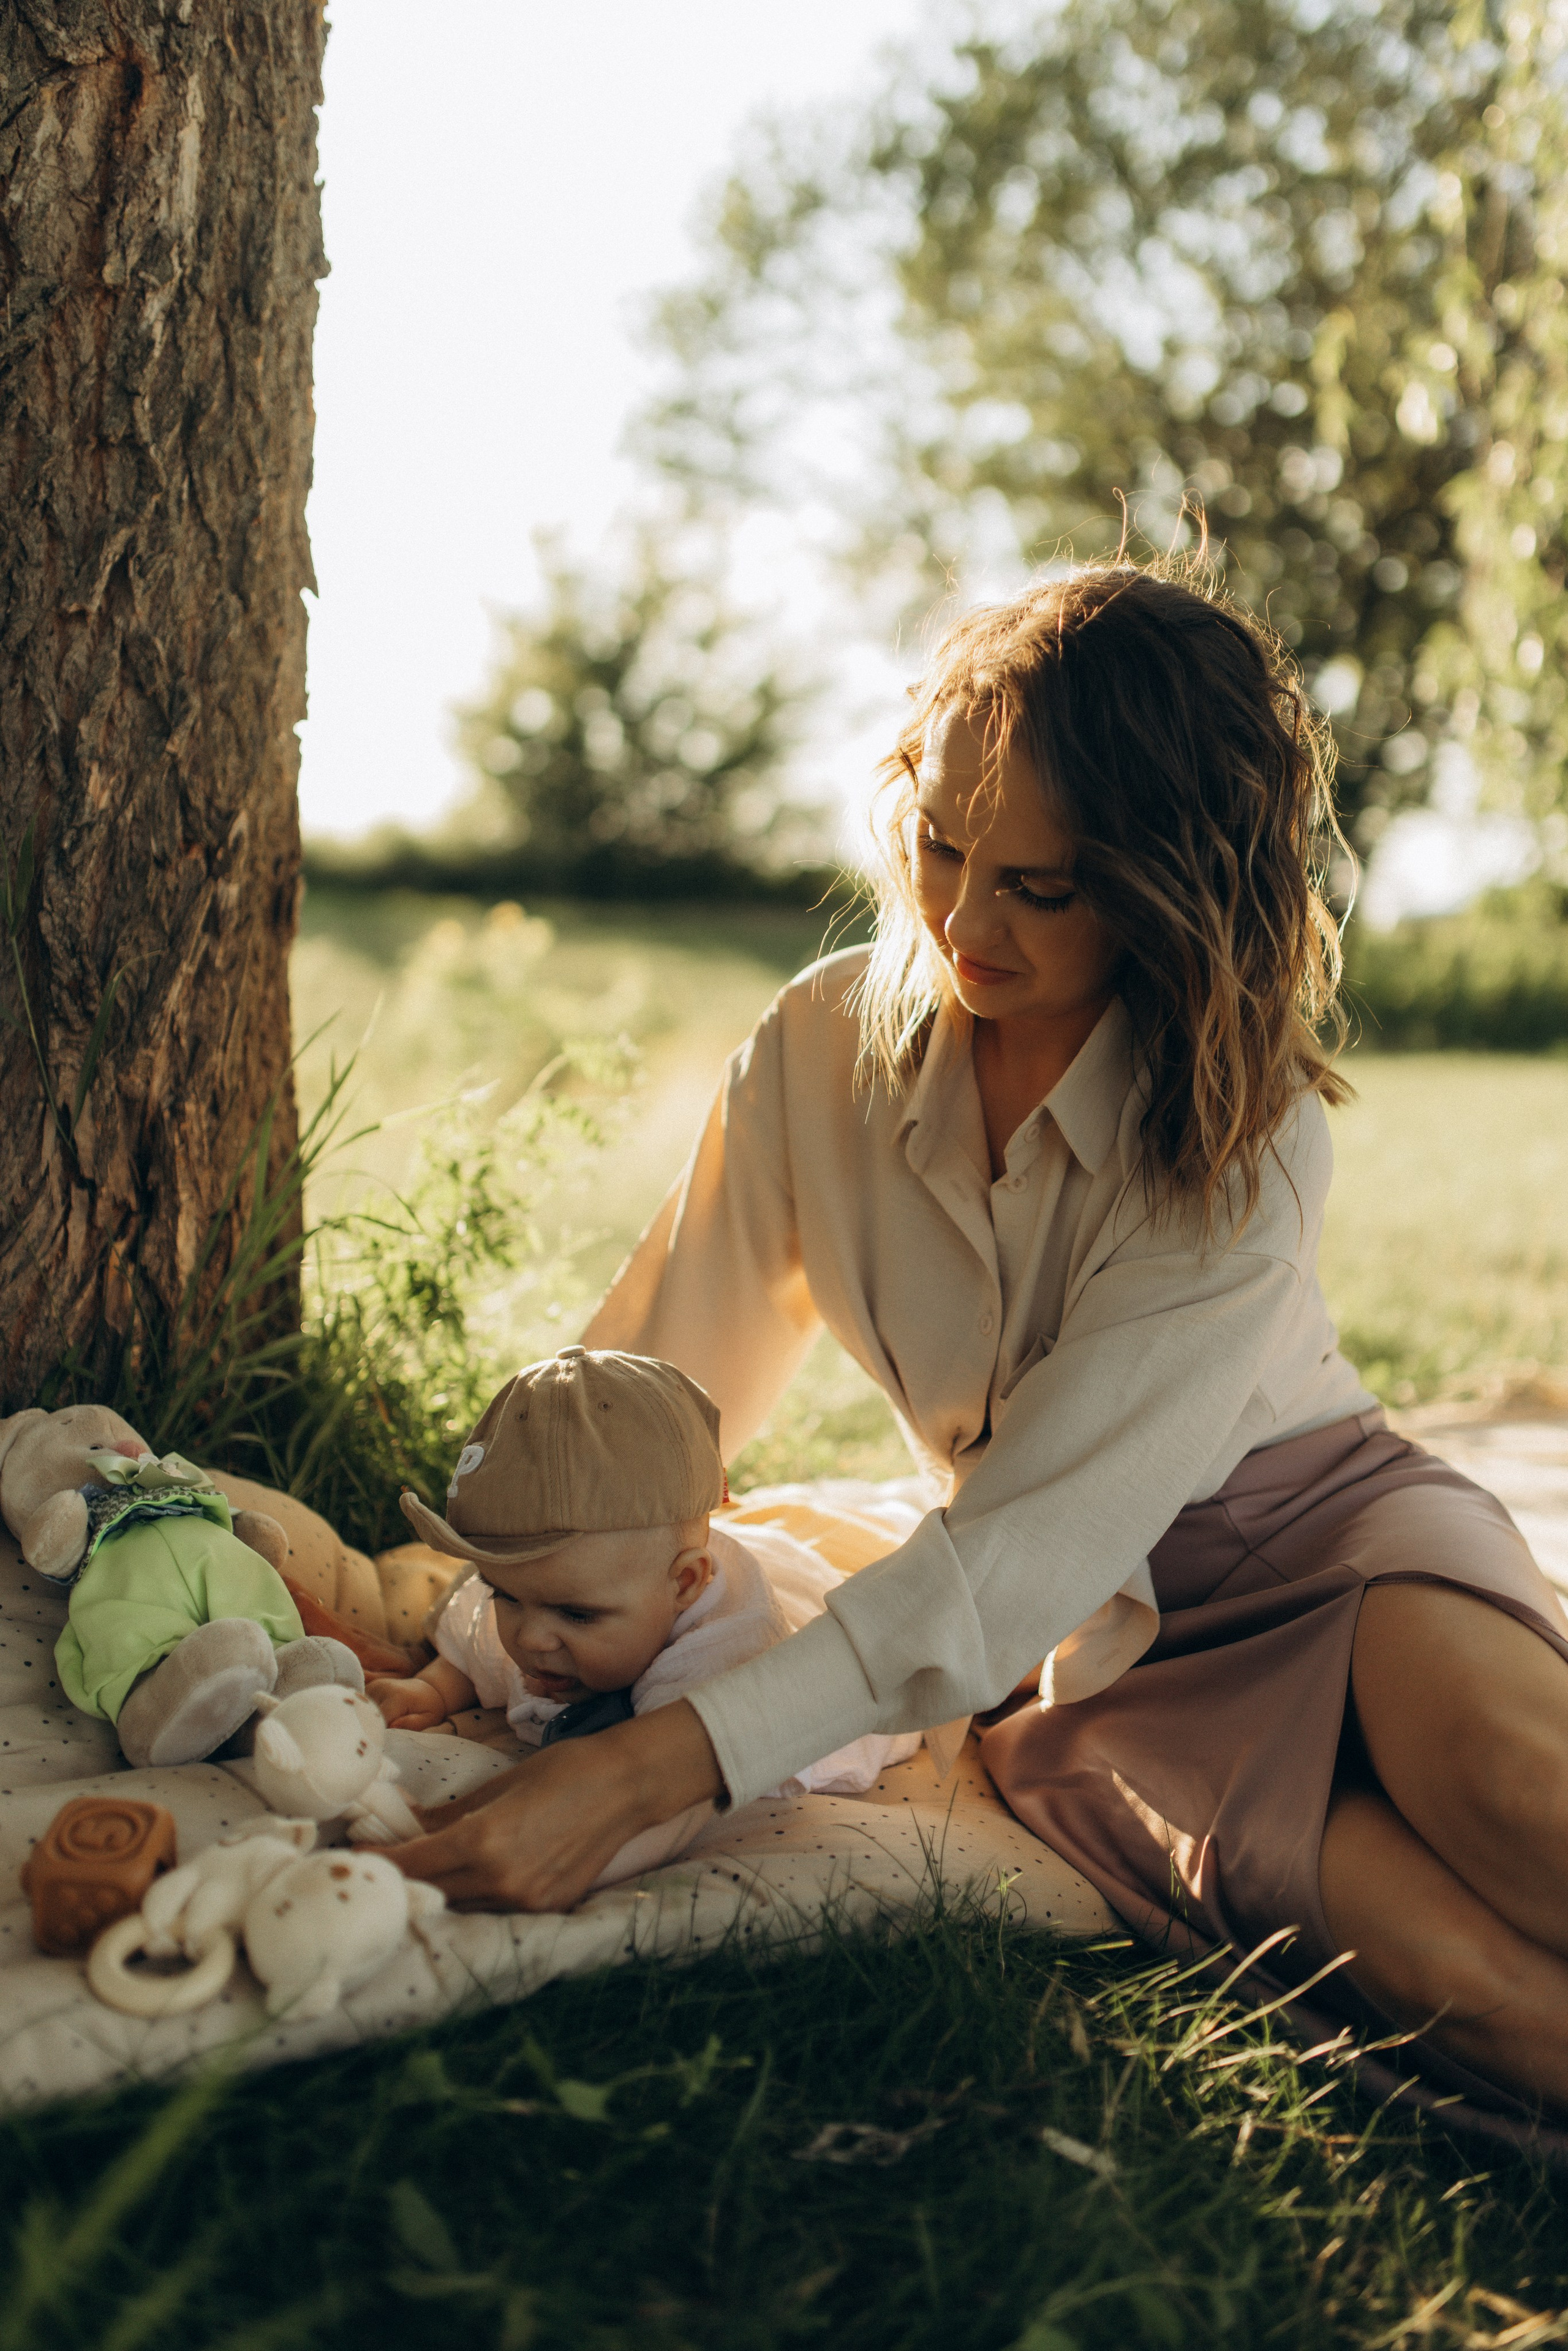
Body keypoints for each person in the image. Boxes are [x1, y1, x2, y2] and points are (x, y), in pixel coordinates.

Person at [389, 557, 1568, 2116]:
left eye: (1040, 884)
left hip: (1317, 1533)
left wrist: (657, 1762)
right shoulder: (817, 1051)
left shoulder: (1243, 1125)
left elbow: (1023, 1542)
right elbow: (659, 1400)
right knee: (1469, 1996)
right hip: (1097, 1668)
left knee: (1518, 1806)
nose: (960, 918)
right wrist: (483, 1609)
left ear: (1170, 881)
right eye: (942, 848)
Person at [372, 1346, 919, 1872]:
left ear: (683, 1584)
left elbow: (663, 1804)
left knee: (875, 1552)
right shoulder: (549, 1589)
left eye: (578, 1615)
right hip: (693, 1563)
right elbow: (476, 1644)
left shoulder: (724, 1650)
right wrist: (434, 1688)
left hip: (809, 1637)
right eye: (506, 1597)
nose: (532, 1638)